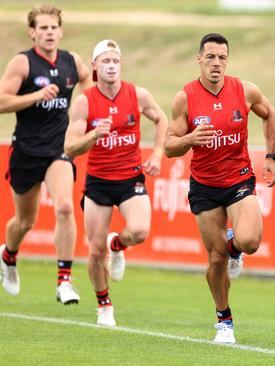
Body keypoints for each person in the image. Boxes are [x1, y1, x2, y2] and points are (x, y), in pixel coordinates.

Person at [164, 33, 275, 344]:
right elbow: (169, 146)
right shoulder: (185, 98)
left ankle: (234, 247)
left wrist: (271, 156)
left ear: (227, 60)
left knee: (251, 241)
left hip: (239, 178)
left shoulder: (244, 90)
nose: (216, 63)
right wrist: (190, 139)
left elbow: (270, 115)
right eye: (211, 57)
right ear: (198, 59)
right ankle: (224, 321)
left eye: (222, 58)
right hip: (204, 186)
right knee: (215, 259)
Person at [64, 40, 167, 326]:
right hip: (98, 182)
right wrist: (93, 135)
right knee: (95, 250)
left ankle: (118, 245)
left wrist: (157, 153)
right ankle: (104, 304)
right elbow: (70, 148)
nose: (111, 66)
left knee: (140, 230)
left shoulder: (138, 94)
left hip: (130, 177)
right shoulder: (85, 101)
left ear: (121, 64)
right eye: (105, 61)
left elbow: (161, 119)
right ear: (94, 66)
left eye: (115, 60)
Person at [0, 4, 92, 303]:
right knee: (24, 222)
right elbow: (1, 102)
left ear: (60, 31)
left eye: (53, 28)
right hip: (26, 151)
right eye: (43, 28)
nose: (49, 32)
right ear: (32, 32)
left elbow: (90, 89)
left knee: (65, 207)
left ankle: (64, 280)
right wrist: (37, 95)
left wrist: (87, 112)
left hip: (59, 149)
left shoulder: (72, 61)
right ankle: (9, 255)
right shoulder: (22, 64)